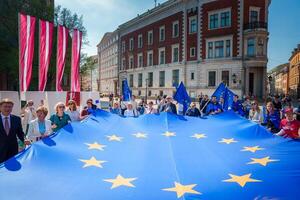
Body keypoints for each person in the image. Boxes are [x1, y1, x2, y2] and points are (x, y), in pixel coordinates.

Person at [0, 99, 25, 163]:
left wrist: (25, 140)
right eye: (5, 106)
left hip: (13, 150)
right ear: (0, 107)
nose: (7, 108)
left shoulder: (17, 119)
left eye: (9, 107)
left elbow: (20, 133)